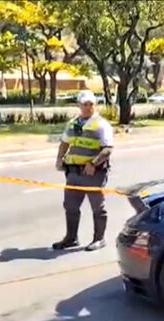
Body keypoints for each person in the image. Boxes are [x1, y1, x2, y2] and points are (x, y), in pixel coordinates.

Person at [52, 90, 114, 251]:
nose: (88, 107)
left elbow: (107, 149)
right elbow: (64, 143)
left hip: (93, 174)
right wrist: (59, 158)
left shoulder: (101, 124)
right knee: (70, 205)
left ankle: (99, 239)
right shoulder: (73, 123)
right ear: (79, 105)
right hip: (73, 173)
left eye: (91, 104)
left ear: (95, 105)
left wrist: (93, 163)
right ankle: (71, 238)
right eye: (85, 104)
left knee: (97, 207)